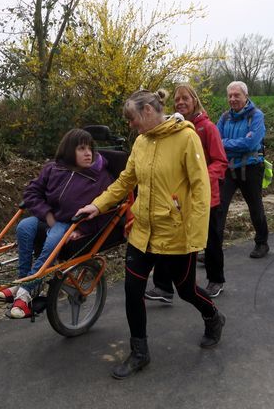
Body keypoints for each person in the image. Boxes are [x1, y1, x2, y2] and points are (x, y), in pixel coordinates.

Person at [76, 89, 225, 380]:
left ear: (147, 111)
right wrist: (97, 204)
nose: (130, 125)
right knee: (132, 289)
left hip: (175, 233)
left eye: (132, 118)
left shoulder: (186, 137)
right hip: (142, 230)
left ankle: (213, 316)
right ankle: (140, 353)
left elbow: (199, 187)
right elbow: (126, 180)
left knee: (186, 289)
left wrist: (195, 236)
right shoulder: (141, 142)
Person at [0, 129, 114, 319]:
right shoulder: (54, 168)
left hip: (71, 223)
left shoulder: (100, 177)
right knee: (24, 227)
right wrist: (47, 215)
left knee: (53, 240)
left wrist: (83, 229)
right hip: (50, 218)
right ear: (69, 150)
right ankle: (23, 282)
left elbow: (107, 210)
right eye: (81, 149)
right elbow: (31, 193)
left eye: (90, 148)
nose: (88, 153)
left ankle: (24, 295)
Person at [145, 84, 228, 302]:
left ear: (195, 100)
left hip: (206, 197)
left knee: (210, 240)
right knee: (168, 238)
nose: (180, 102)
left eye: (185, 98)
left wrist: (199, 180)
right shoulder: (172, 128)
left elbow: (220, 162)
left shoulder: (207, 128)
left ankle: (216, 279)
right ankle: (163, 287)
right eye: (177, 99)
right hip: (177, 199)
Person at [215, 81, 270, 259]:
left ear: (245, 96)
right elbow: (216, 143)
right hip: (229, 169)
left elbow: (252, 143)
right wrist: (236, 144)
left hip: (252, 168)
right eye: (230, 95)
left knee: (255, 207)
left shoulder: (256, 116)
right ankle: (213, 248)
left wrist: (226, 144)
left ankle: (262, 243)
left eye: (236, 95)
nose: (232, 99)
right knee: (219, 208)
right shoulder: (224, 117)